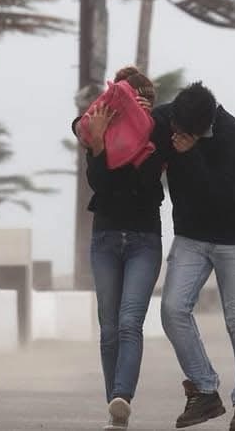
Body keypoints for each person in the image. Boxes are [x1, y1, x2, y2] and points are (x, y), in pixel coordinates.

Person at [152, 82, 235, 431]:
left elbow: (221, 197)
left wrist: (191, 153)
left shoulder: (232, 133)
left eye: (187, 133)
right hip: (191, 236)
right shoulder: (170, 117)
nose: (177, 134)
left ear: (204, 126)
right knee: (172, 309)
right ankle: (204, 390)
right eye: (176, 128)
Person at [73, 66, 165, 430]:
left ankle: (122, 396)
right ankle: (116, 406)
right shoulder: (101, 131)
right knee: (108, 326)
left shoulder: (156, 136)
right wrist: (98, 143)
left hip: (144, 238)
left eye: (144, 101)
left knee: (130, 322)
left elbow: (145, 183)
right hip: (106, 237)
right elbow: (100, 184)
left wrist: (144, 128)